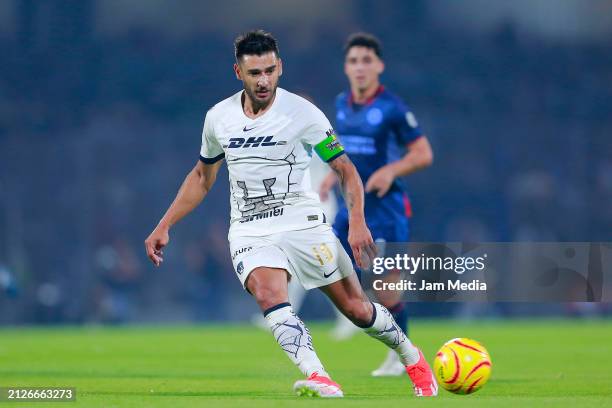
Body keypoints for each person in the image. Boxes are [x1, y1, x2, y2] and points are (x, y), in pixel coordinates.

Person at [144, 30, 437, 398]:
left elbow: (346, 169)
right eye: (254, 73)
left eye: (269, 70)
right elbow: (202, 176)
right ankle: (319, 376)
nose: (263, 80)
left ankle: (411, 357)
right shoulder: (218, 118)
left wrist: (357, 221)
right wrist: (165, 224)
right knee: (269, 295)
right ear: (238, 73)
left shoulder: (303, 113)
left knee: (358, 309)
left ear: (280, 67)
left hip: (303, 224)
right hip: (250, 230)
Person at [319, 33, 434, 376]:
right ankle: (354, 313)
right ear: (346, 67)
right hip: (351, 208)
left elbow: (423, 153)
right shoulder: (341, 103)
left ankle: (403, 354)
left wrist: (390, 170)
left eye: (366, 60)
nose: (360, 67)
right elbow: (341, 149)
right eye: (354, 61)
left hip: (387, 210)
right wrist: (330, 176)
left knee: (386, 289)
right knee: (329, 261)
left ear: (379, 66)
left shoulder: (392, 108)